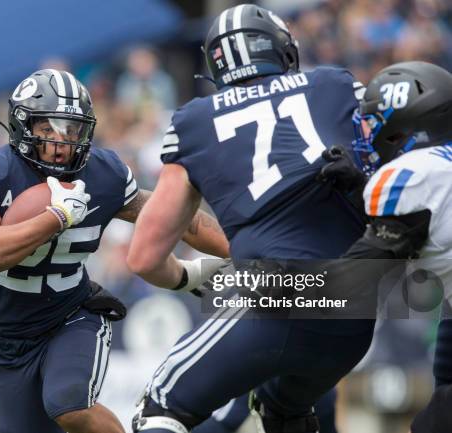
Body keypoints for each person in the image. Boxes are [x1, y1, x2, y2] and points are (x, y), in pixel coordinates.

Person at [127, 4, 377, 433]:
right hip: (357, 308)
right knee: (285, 411)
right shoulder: (334, 84)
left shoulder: (195, 121)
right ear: (282, 50)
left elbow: (144, 258)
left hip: (275, 295)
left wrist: (193, 277)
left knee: (160, 407)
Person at [0, 69, 230, 433]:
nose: (60, 142)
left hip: (71, 316)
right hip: (5, 337)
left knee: (70, 405)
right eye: (47, 129)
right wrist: (58, 216)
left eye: (71, 129)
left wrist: (245, 247)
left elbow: (177, 217)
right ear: (22, 127)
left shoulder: (102, 173)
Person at [344, 61, 452, 433]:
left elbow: (347, 286)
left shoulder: (412, 177)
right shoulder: (440, 167)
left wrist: (250, 288)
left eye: (374, 123)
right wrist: (359, 188)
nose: (368, 136)